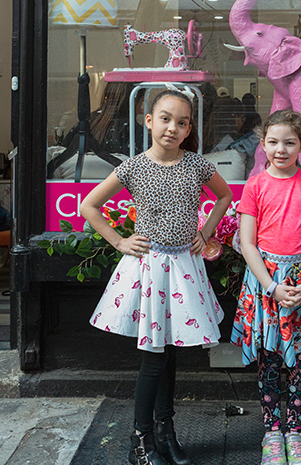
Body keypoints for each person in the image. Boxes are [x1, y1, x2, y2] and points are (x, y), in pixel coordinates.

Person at [80, 88, 233, 465]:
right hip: (150, 270)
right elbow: (89, 205)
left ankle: (165, 432)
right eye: (164, 118)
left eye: (181, 122)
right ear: (148, 121)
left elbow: (225, 196)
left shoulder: (197, 165)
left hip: (184, 267)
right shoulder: (133, 167)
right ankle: (140, 439)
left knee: (169, 355)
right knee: (153, 358)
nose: (172, 128)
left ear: (188, 128)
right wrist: (118, 240)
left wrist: (205, 231)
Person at [231, 109, 301, 465]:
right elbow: (247, 243)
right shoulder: (256, 185)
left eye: (289, 142)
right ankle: (271, 433)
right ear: (262, 145)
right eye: (273, 142)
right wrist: (271, 286)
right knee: (270, 360)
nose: (281, 149)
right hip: (267, 284)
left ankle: (295, 431)